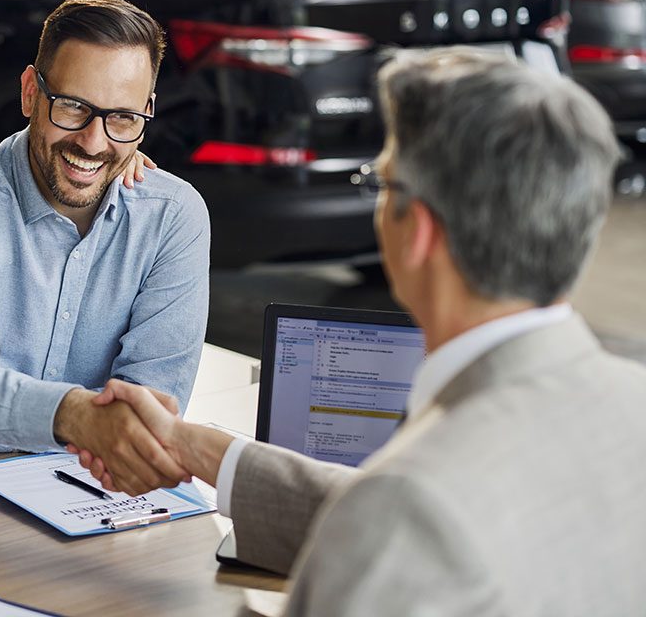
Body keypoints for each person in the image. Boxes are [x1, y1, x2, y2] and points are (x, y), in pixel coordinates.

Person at [75, 48, 646, 614]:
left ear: (417, 231)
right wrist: (195, 448)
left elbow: (400, 519)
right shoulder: (631, 403)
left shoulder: (411, 505)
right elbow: (387, 513)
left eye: (383, 182)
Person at [0, 0, 210, 496]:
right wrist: (81, 421)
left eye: (121, 117)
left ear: (147, 111)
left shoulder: (173, 216)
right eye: (73, 107)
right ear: (31, 93)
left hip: (85, 500)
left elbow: (146, 418)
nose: (93, 143)